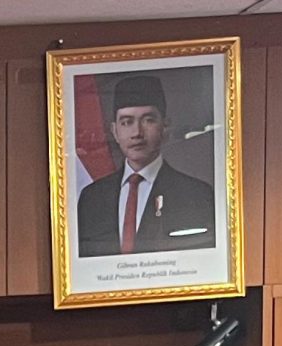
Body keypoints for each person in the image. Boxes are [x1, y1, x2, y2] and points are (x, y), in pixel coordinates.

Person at [74, 73, 218, 257]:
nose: (137, 133)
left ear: (165, 126)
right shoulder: (91, 198)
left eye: (148, 120)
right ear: (115, 131)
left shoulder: (196, 195)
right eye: (127, 122)